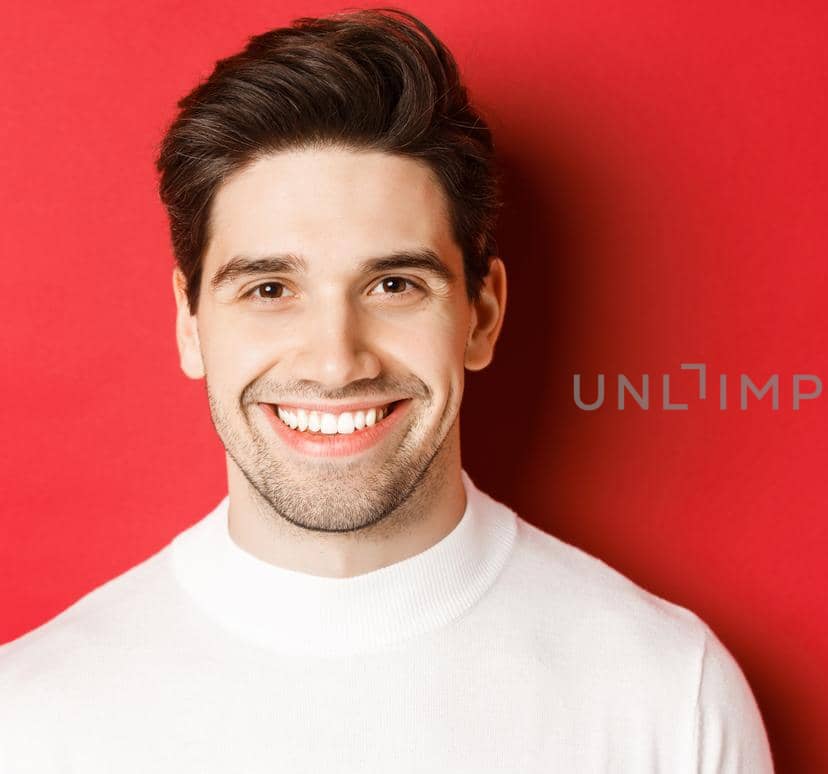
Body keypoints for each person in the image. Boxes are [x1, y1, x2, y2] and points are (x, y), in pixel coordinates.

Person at [0, 8, 773, 772]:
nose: (337, 363)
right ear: (191, 325)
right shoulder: (31, 719)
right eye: (269, 289)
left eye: (394, 284)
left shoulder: (670, 698)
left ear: (482, 315)